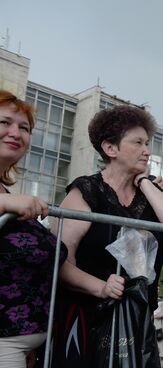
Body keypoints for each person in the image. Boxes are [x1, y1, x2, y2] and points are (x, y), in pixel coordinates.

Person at [50, 105, 163, 367]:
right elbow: (59, 261)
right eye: (137, 142)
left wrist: (144, 183)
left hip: (137, 321)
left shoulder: (148, 193)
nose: (146, 150)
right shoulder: (86, 191)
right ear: (110, 148)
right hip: (88, 318)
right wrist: (101, 287)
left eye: (147, 143)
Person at [0, 90, 68, 368]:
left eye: (24, 127)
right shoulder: (9, 199)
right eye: (5, 123)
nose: (16, 132)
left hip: (20, 347)